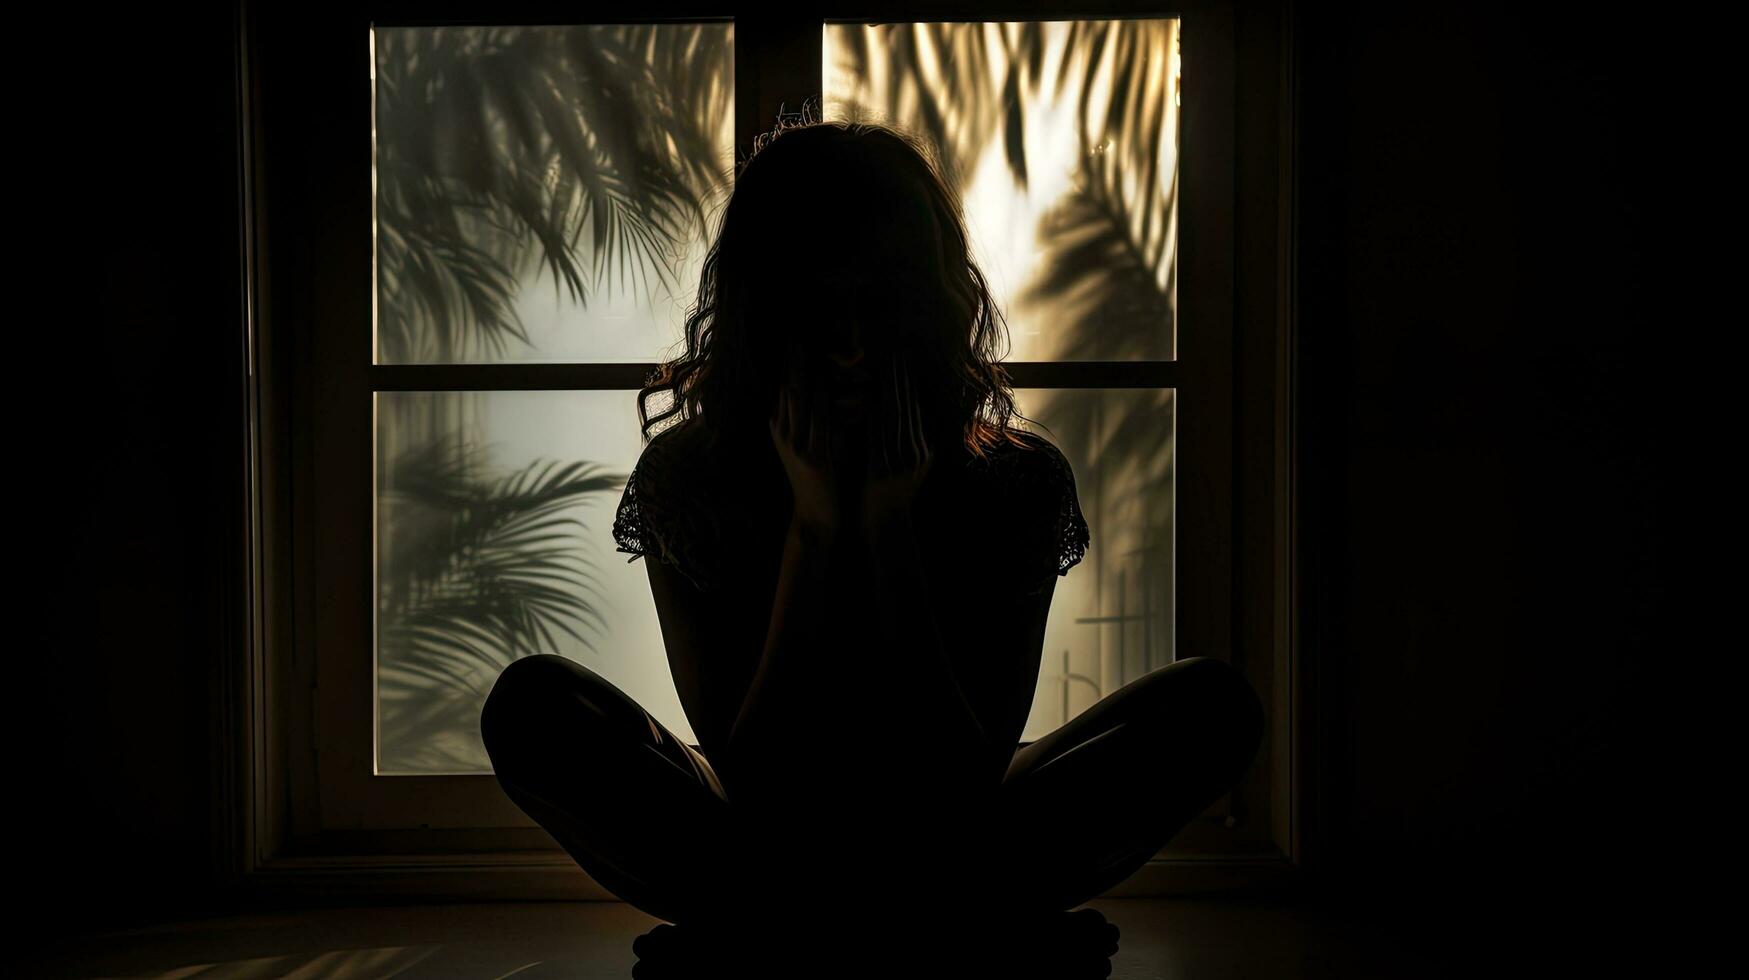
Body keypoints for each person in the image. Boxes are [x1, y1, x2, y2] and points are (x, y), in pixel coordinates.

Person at [479, 115, 1264, 971]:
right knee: (533, 707)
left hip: (958, 836)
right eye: (818, 304)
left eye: (880, 303)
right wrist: (816, 528)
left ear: (927, 306)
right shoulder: (690, 480)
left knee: (1210, 705)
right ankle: (959, 928)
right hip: (758, 844)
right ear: (765, 309)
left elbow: (966, 779)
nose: (851, 349)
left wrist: (886, 525)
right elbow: (757, 779)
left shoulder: (1015, 481)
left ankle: (783, 935)